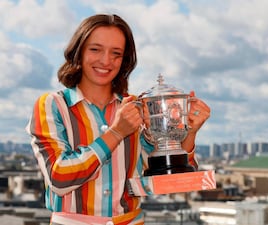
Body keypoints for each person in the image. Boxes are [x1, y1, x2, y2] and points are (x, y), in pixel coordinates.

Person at [26, 14, 210, 225]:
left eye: (116, 53)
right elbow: (60, 177)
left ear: (124, 60)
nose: (106, 61)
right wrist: (115, 133)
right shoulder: (52, 105)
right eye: (95, 49)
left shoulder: (136, 108)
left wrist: (189, 132)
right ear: (79, 52)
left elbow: (167, 176)